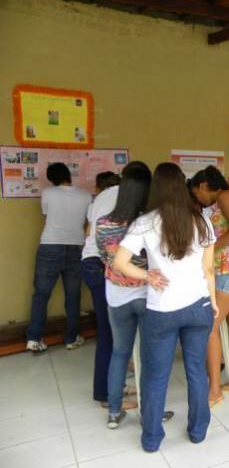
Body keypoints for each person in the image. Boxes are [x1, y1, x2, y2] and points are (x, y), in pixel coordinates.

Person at [113, 162, 218, 452]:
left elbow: (118, 263)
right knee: (197, 371)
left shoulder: (144, 223)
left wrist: (148, 275)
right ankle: (198, 432)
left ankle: (151, 439)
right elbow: (208, 269)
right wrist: (214, 303)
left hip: (162, 310)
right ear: (183, 185)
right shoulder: (202, 221)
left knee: (155, 375)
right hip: (199, 306)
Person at [190, 166, 229, 406]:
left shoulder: (225, 196)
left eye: (197, 193)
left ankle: (214, 391)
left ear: (204, 185)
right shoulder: (228, 197)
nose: (198, 199)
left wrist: (212, 247)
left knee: (209, 326)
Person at [96, 162, 152, 428]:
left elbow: (104, 257)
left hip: (116, 294)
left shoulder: (102, 223)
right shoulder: (147, 223)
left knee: (120, 352)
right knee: (150, 354)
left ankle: (114, 411)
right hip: (146, 294)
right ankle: (151, 410)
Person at [26, 162, 92, 353]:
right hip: (76, 246)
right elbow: (87, 221)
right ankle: (71, 338)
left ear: (51, 179)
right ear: (69, 175)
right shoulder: (86, 195)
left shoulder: (48, 194)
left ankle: (34, 338)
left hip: (50, 246)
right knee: (73, 296)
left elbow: (47, 217)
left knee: (41, 294)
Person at [81, 171, 121, 404]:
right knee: (111, 332)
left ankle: (110, 386)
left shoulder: (96, 201)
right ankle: (106, 392)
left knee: (108, 331)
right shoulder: (124, 196)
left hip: (89, 261)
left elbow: (88, 231)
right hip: (103, 263)